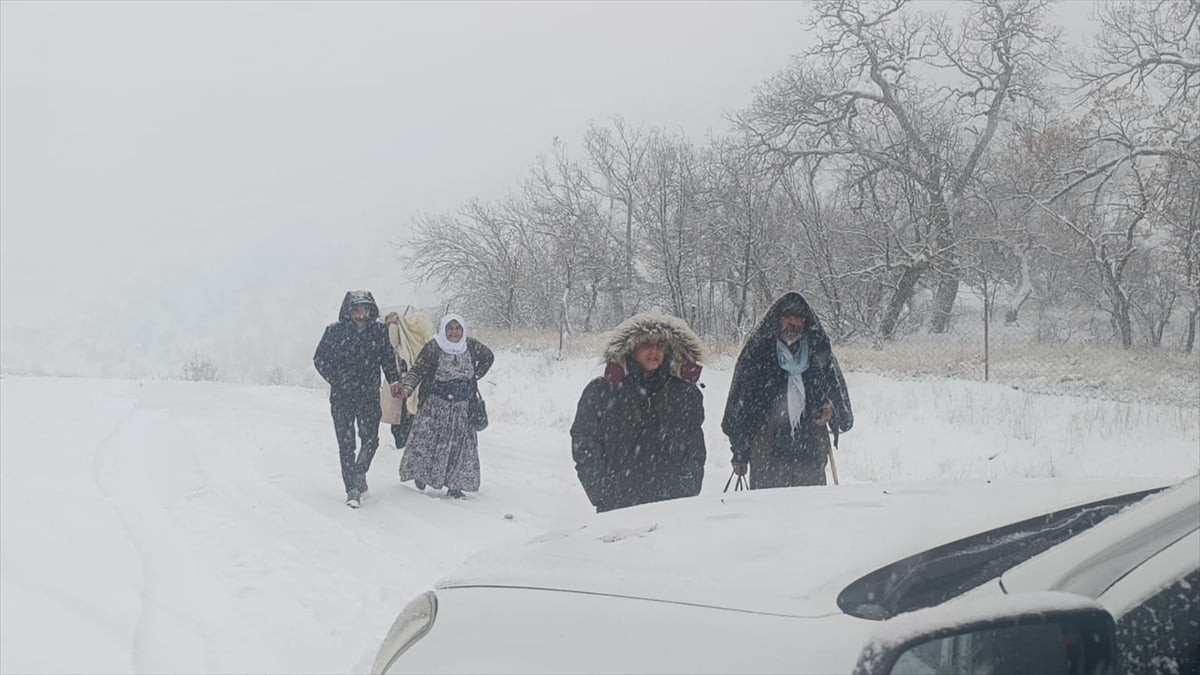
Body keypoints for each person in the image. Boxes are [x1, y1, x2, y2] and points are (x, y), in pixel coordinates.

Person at [570, 313, 707, 513]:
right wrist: (602, 491)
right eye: (647, 345)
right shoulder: (602, 391)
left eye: (660, 345)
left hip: (673, 505)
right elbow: (585, 442)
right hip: (617, 507)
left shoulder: (685, 393)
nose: (654, 351)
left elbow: (695, 444)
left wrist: (688, 486)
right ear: (631, 349)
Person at [721, 292, 853, 489]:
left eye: (799, 317)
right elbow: (740, 406)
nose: (793, 323)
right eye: (787, 316)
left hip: (809, 452)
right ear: (777, 319)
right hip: (767, 451)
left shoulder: (819, 353)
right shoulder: (758, 353)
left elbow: (840, 406)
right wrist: (740, 451)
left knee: (809, 512)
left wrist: (830, 412)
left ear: (806, 322)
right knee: (769, 513)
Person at [313, 290, 402, 508]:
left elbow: (388, 359)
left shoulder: (379, 332)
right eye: (356, 309)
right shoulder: (334, 332)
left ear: (371, 310)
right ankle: (351, 489)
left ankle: (360, 471)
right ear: (348, 311)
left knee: (371, 439)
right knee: (346, 444)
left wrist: (394, 381)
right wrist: (336, 379)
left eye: (364, 308)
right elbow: (319, 359)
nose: (360, 313)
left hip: (369, 395)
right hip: (342, 397)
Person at [396, 314, 494, 499]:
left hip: (463, 407)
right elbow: (418, 370)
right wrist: (407, 388)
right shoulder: (434, 347)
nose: (454, 332)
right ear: (444, 329)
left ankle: (455, 484)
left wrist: (475, 375)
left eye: (458, 329)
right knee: (427, 444)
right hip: (436, 406)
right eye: (450, 328)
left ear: (463, 330)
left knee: (460, 448)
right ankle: (421, 474)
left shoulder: (470, 345)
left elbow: (489, 357)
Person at [381, 311, 434, 449]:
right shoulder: (399, 340)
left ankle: (406, 445)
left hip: (410, 381)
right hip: (399, 382)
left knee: (408, 418)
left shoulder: (410, 336)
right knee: (402, 420)